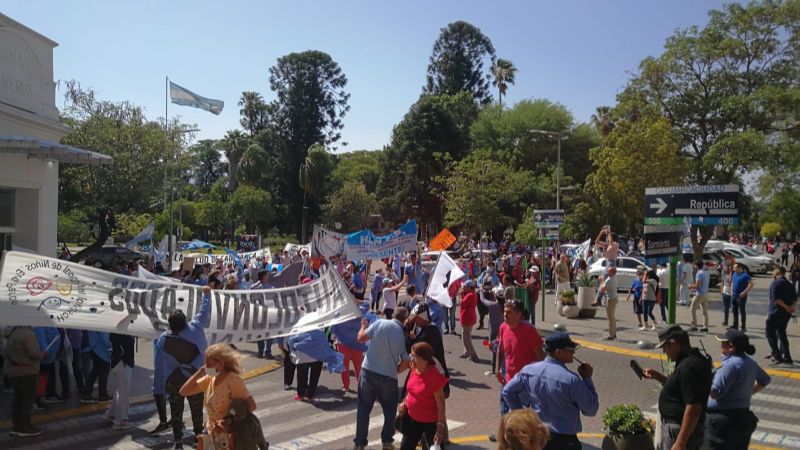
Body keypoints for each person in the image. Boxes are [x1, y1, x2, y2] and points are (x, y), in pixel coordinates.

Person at [501, 332, 599, 450]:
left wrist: (523, 416)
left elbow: (507, 391)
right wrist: (587, 379)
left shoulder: (529, 371)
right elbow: (591, 409)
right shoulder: (571, 380)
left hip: (538, 437)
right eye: (570, 349)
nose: (573, 352)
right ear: (558, 352)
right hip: (565, 441)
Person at [153, 283, 213, 448]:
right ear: (185, 321)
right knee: (196, 410)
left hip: (174, 382)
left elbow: (158, 364)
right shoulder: (196, 327)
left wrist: (159, 386)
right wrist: (207, 295)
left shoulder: (163, 340)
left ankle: (178, 441)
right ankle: (198, 437)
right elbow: (204, 311)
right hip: (195, 379)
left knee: (176, 412)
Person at [180, 343, 266, 450]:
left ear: (220, 364)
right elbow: (184, 391)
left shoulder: (233, 381)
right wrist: (200, 371)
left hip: (231, 435)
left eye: (208, 364)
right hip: (214, 432)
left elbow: (251, 405)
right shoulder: (209, 379)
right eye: (204, 363)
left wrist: (229, 420)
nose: (206, 366)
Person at [642, 325, 713, 450]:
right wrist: (659, 377)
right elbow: (680, 387)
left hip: (677, 431)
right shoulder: (693, 360)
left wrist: (680, 442)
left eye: (664, 347)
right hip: (679, 429)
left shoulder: (688, 368)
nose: (664, 352)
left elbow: (694, 408)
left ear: (674, 344)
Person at [353, 307, 412, 450]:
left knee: (363, 410)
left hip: (368, 371)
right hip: (388, 376)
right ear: (405, 320)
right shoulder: (403, 334)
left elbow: (361, 338)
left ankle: (360, 443)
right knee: (390, 410)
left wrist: (363, 327)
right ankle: (387, 441)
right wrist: (396, 370)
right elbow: (406, 362)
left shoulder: (380, 323)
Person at [707, 330, 771, 450]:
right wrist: (748, 392)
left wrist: (705, 380)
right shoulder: (750, 363)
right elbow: (765, 380)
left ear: (731, 347)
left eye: (722, 343)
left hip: (723, 422)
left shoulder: (729, 366)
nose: (720, 345)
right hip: (744, 418)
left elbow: (715, 393)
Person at [496, 299, 545, 416]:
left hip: (525, 382)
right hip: (507, 378)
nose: (505, 315)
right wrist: (497, 369)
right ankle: (506, 433)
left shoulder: (529, 330)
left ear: (519, 315)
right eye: (504, 311)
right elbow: (500, 350)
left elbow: (541, 356)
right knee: (504, 411)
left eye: (509, 312)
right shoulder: (503, 327)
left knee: (520, 415)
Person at [397, 342, 448, 450]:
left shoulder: (434, 376)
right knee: (405, 447)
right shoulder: (414, 368)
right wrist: (405, 402)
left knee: (435, 448)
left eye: (414, 356)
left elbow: (441, 404)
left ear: (424, 359)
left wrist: (440, 428)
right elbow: (410, 390)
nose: (411, 359)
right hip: (413, 418)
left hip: (430, 422)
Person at [4, 326, 46, 437]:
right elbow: (34, 353)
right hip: (27, 371)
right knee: (27, 400)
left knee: (18, 399)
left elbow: (6, 352)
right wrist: (43, 354)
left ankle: (16, 425)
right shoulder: (29, 335)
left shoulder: (14, 333)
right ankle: (24, 427)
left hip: (14, 371)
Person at [331, 302, 371, 392]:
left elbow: (333, 328)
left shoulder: (339, 313)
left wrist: (334, 336)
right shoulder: (360, 312)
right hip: (356, 342)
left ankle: (345, 385)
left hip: (342, 342)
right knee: (358, 365)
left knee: (344, 365)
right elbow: (367, 308)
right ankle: (361, 385)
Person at [103, 333, 136, 430]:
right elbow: (122, 347)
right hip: (123, 363)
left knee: (120, 390)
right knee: (124, 393)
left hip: (118, 363)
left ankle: (111, 414)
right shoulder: (122, 330)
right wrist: (124, 360)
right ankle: (120, 420)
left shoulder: (118, 330)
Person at [765, 267, 796, 365]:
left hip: (775, 312)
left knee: (769, 334)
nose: (772, 273)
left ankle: (778, 356)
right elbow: (795, 299)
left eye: (773, 271)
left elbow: (776, 299)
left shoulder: (775, 283)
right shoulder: (790, 284)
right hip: (786, 314)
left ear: (777, 272)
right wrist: (790, 308)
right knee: (782, 334)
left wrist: (786, 307)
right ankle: (787, 357)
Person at [480, 284, 505, 376]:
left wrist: (481, 291)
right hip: (502, 330)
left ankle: (494, 370)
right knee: (501, 350)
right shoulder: (505, 305)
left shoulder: (493, 305)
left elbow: (483, 300)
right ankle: (501, 368)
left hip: (494, 331)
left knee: (494, 351)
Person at [81, 330, 112, 403]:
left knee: (95, 372)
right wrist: (110, 346)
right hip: (101, 351)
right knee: (103, 373)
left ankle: (86, 394)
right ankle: (102, 395)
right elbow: (104, 337)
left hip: (94, 349)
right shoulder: (101, 321)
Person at [458, 280, 479, 362]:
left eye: (465, 287)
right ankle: (467, 352)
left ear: (470, 287)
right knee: (467, 336)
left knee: (466, 338)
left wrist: (460, 295)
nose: (463, 288)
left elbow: (462, 303)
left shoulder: (470, 295)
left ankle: (473, 355)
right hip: (468, 317)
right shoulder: (470, 294)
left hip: (468, 318)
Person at [688, 261, 710, 332]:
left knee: (692, 309)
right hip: (706, 293)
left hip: (700, 294)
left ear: (696, 266)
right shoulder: (706, 272)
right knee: (704, 311)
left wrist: (691, 286)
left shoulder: (699, 273)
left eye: (694, 265)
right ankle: (705, 326)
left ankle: (694, 325)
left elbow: (698, 285)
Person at [730, 263, 754, 332]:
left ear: (739, 268)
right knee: (734, 311)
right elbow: (732, 282)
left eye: (735, 267)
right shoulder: (734, 274)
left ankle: (743, 326)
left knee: (742, 311)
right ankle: (735, 325)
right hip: (734, 296)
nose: (734, 269)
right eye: (734, 267)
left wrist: (744, 292)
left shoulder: (745, 275)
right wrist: (731, 290)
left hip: (741, 297)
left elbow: (751, 284)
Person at [600, 267, 619, 340]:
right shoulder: (614, 277)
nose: (607, 272)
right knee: (612, 317)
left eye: (608, 271)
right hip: (615, 297)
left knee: (610, 318)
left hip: (610, 299)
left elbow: (602, 289)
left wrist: (601, 281)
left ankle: (611, 335)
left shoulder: (609, 280)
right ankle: (613, 333)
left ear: (612, 272)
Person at [720, 252, 735, 327]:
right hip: (725, 292)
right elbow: (722, 282)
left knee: (734, 308)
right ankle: (726, 321)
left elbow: (731, 281)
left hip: (732, 293)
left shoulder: (733, 274)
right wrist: (721, 292)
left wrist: (731, 273)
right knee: (726, 308)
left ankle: (735, 323)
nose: (725, 268)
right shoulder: (724, 274)